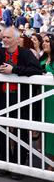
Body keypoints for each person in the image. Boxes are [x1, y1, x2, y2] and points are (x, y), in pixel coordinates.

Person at [0, 27, 43, 179]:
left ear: (16, 39)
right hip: (3, 97)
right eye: (4, 37)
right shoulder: (0, 52)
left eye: (8, 37)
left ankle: (19, 166)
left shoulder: (25, 53)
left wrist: (14, 70)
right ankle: (4, 164)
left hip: (21, 98)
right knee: (2, 130)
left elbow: (36, 70)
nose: (4, 40)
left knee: (21, 131)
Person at [40, 33, 54, 171]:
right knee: (46, 131)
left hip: (53, 100)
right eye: (43, 41)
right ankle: (49, 161)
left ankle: (51, 165)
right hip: (43, 99)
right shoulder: (42, 59)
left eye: (47, 41)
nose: (44, 43)